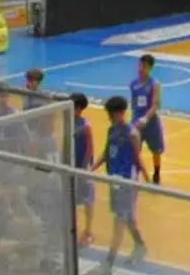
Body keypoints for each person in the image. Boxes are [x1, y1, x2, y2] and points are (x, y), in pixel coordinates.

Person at [90, 96, 148, 274]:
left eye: (110, 114)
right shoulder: (111, 130)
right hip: (114, 181)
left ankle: (108, 264)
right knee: (128, 218)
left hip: (126, 183)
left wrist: (148, 179)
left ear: (119, 113)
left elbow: (138, 159)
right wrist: (91, 169)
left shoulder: (132, 134)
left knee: (119, 222)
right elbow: (107, 152)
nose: (108, 117)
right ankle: (140, 245)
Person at [129, 55, 164, 185]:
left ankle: (156, 172)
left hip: (151, 122)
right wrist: (134, 119)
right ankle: (135, 174)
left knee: (156, 150)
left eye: (144, 66)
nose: (141, 69)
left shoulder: (155, 84)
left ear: (150, 68)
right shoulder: (133, 84)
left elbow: (156, 105)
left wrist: (145, 118)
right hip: (137, 122)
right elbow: (134, 104)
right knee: (134, 149)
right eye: (140, 65)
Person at [70, 92, 96, 247]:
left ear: (79, 108)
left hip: (83, 167)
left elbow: (90, 148)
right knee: (72, 198)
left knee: (88, 200)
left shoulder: (86, 125)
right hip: (71, 165)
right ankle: (73, 228)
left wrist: (84, 169)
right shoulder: (68, 121)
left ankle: (88, 231)